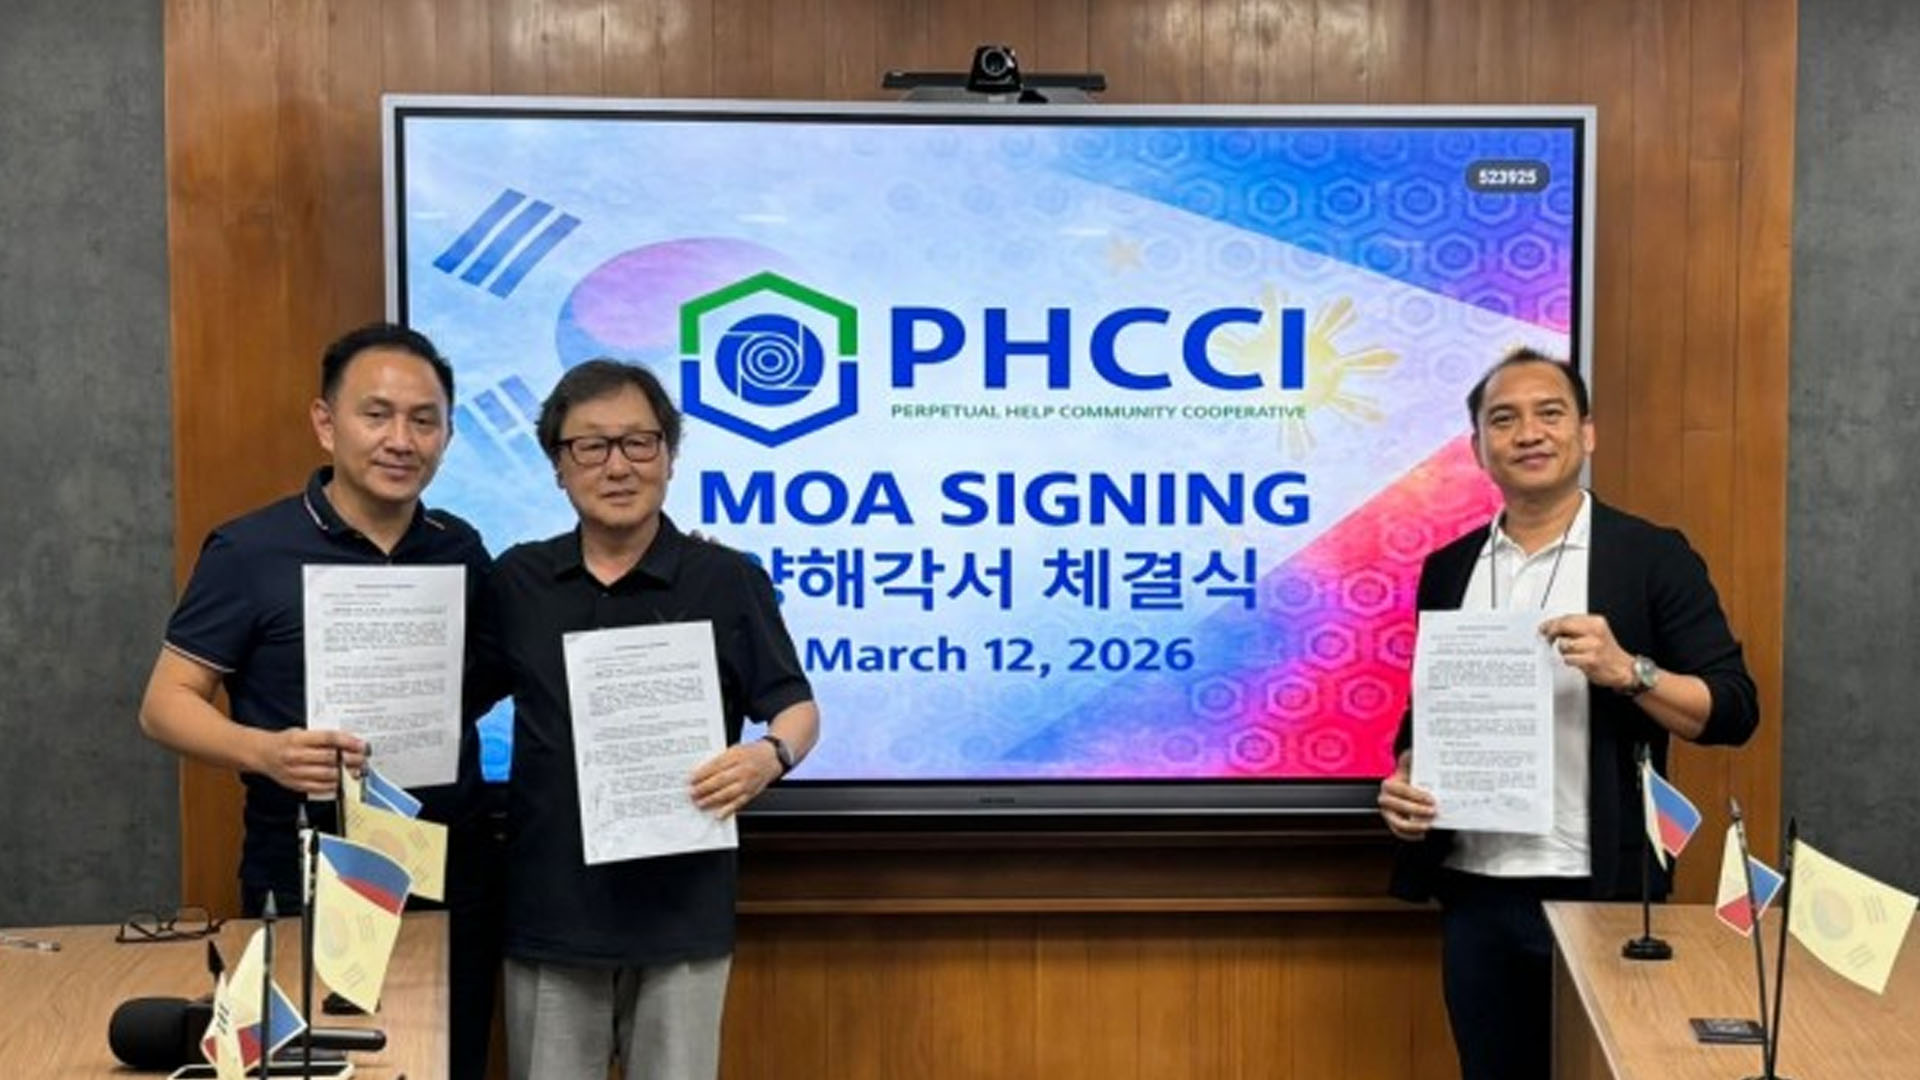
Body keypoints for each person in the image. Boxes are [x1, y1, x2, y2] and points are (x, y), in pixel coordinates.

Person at [1376, 348, 1759, 1080]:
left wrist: (1629, 671)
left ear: (1586, 433)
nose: (1528, 433)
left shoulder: (1650, 556)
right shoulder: (1449, 568)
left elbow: (1734, 710)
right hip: (1476, 888)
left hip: (1601, 891)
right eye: (1503, 419)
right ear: (1477, 448)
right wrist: (1406, 776)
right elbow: (1427, 715)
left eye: (1549, 413)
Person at [137, 322, 500, 1080]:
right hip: (306, 870)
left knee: (447, 1062)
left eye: (424, 420)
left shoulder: (460, 547)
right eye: (377, 414)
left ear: (447, 435)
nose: (401, 440)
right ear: (326, 423)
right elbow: (165, 702)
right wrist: (264, 751)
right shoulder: (250, 550)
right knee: (315, 1069)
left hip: (443, 867)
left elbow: (486, 677)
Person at [470, 359, 820, 1080]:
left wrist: (769, 756)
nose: (617, 465)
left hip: (682, 912)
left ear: (669, 456)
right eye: (590, 446)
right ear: (558, 466)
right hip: (551, 910)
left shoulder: (727, 579)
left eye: (639, 442)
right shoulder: (517, 581)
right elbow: (455, 700)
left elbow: (796, 706)